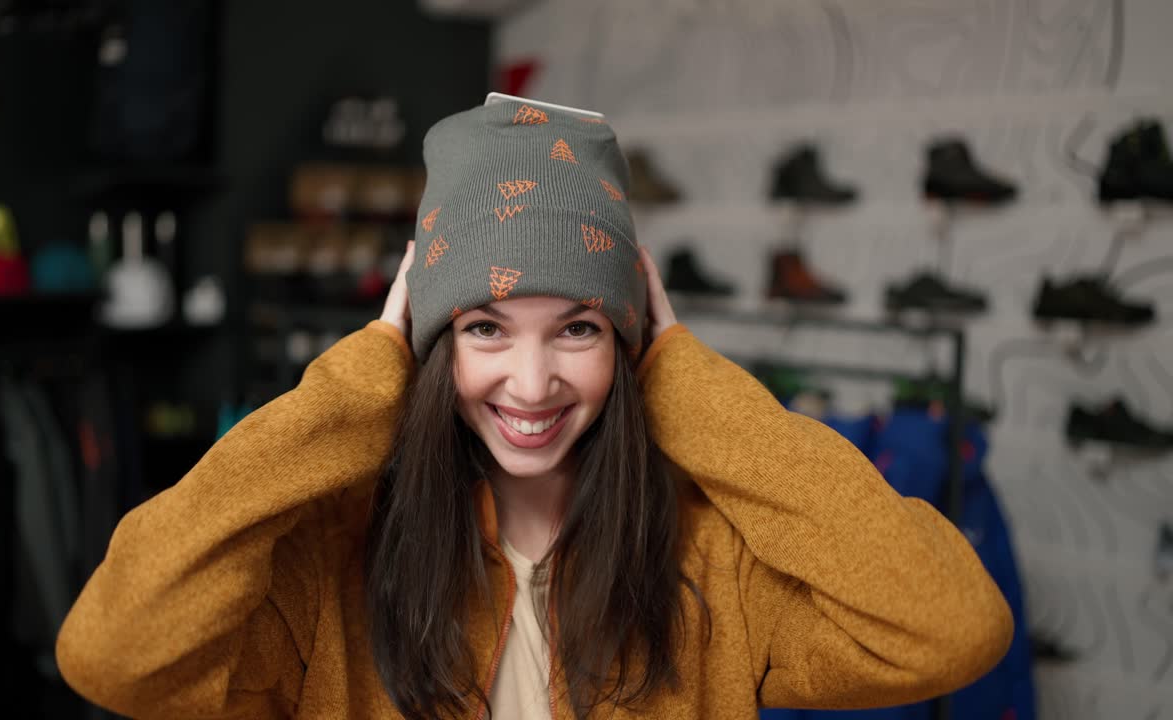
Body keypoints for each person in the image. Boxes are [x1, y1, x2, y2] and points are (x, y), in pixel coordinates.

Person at [56, 100, 1013, 720]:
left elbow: (951, 625)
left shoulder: (710, 564)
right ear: (429, 348)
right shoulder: (334, 565)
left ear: (628, 343)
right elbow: (114, 652)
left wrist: (683, 378)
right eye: (483, 329)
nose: (530, 382)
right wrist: (356, 386)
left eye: (579, 331)